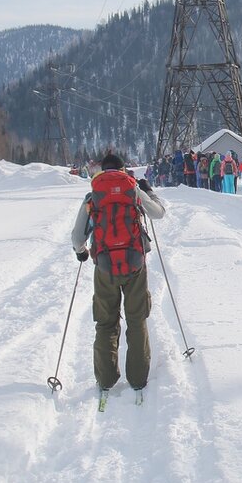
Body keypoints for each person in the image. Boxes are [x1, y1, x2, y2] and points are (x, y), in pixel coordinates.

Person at [70, 151, 166, 397]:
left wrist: (81, 252)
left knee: (105, 322)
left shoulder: (93, 195)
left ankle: (106, 378)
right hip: (134, 264)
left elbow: (77, 236)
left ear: (102, 170)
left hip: (104, 265)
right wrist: (149, 190)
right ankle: (137, 379)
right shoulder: (132, 189)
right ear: (123, 170)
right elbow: (158, 213)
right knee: (136, 320)